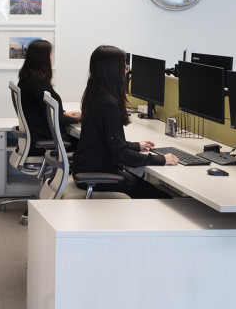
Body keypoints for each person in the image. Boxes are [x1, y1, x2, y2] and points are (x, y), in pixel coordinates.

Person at [72, 45, 178, 199]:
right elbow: (121, 155)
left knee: (149, 188)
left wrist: (136, 146)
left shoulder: (94, 94)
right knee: (165, 199)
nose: (126, 71)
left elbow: (107, 140)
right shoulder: (109, 104)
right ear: (114, 70)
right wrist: (161, 159)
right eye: (124, 66)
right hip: (98, 174)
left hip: (87, 166)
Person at [16, 39, 81, 150]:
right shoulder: (38, 83)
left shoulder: (26, 79)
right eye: (50, 54)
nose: (52, 58)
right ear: (43, 58)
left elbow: (43, 112)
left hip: (37, 136)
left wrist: (64, 114)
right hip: (45, 140)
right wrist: (80, 119)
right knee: (91, 145)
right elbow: (55, 120)